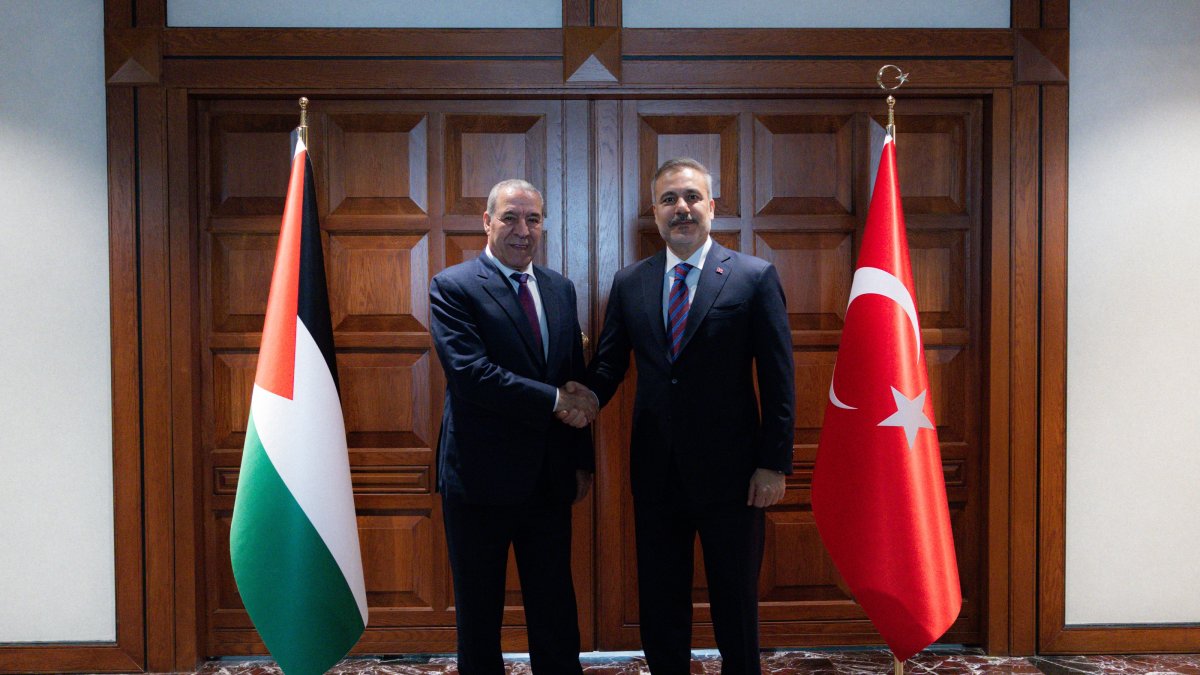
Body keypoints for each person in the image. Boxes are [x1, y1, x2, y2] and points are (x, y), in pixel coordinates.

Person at [582, 158, 796, 674]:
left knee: (736, 604)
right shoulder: (630, 281)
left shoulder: (753, 276)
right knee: (660, 600)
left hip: (736, 476)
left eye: (692, 198)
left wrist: (774, 463)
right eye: (669, 200)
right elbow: (610, 364)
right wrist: (577, 398)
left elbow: (779, 377)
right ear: (654, 213)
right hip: (657, 473)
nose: (682, 209)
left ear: (712, 207)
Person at [429, 179, 597, 675]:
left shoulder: (559, 288)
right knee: (479, 617)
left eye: (533, 219)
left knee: (555, 612)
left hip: (548, 481)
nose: (523, 230)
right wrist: (554, 401)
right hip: (478, 481)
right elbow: (471, 375)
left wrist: (582, 460)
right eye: (510, 218)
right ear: (487, 221)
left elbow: (573, 378)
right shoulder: (453, 286)